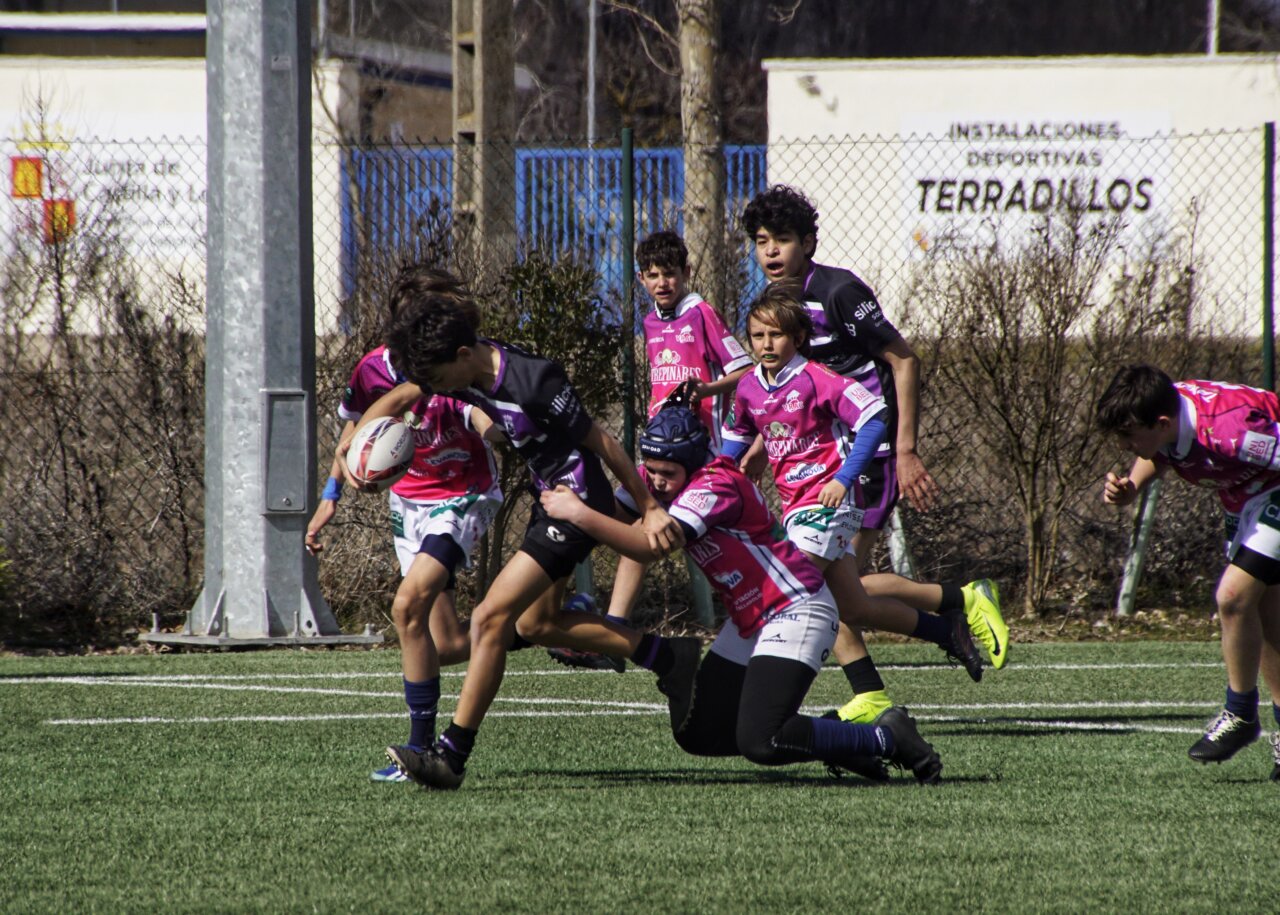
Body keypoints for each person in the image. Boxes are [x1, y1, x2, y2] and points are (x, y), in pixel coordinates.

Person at [372, 266, 699, 790]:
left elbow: (603, 443)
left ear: (460, 357)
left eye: (437, 380)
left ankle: (451, 758)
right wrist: (356, 444)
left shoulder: (533, 380)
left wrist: (648, 508)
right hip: (551, 501)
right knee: (537, 625)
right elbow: (409, 394)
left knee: (489, 620)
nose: (434, 391)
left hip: (576, 505)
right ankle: (667, 655)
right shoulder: (466, 370)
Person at [540, 394, 944, 784]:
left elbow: (649, 547)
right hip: (752, 621)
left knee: (762, 740)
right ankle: (844, 743)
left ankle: (889, 737)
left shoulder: (714, 484)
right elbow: (614, 514)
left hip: (795, 607)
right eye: (651, 469)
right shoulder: (663, 475)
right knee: (699, 734)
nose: (658, 482)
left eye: (668, 474)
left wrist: (577, 512)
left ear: (692, 463)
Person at [739, 184, 1009, 697]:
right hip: (824, 464)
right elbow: (784, 396)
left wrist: (905, 450)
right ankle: (952, 612)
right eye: (761, 240)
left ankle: (878, 687)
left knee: (818, 583)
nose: (771, 251)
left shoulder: (840, 292)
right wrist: (756, 449)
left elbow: (903, 359)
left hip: (867, 457)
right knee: (845, 594)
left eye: (784, 239)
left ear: (810, 243)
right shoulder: (772, 308)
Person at [719, 284, 991, 723]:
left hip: (831, 504)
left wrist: (844, 479)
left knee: (784, 588)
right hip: (796, 509)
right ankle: (945, 633)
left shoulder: (816, 378)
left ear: (798, 338)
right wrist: (707, 486)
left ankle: (754, 699)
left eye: (776, 335)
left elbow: (874, 419)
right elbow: (730, 449)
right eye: (757, 336)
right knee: (853, 606)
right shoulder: (748, 388)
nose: (766, 345)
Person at [307, 325, 507, 783]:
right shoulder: (373, 369)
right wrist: (331, 493)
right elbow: (355, 427)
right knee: (445, 641)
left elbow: (484, 422)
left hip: (462, 496)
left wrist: (510, 426)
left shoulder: (452, 371)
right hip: (410, 504)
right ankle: (538, 629)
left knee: (405, 605)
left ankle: (419, 750)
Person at [549, 230, 754, 671]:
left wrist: (706, 388)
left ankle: (764, 621)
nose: (663, 282)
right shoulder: (650, 320)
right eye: (654, 275)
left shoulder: (700, 313)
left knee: (650, 535)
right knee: (618, 521)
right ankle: (607, 628)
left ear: (686, 273)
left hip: (696, 457)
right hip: (660, 453)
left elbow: (744, 371)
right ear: (641, 278)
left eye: (671, 274)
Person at [1098, 364, 1280, 779]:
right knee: (1267, 618)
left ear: (1161, 422)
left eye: (1129, 436)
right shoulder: (1167, 416)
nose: (1125, 445)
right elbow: (1159, 454)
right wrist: (1131, 486)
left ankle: (1240, 713)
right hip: (1245, 501)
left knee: (1232, 597)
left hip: (1273, 494)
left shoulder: (1231, 432)